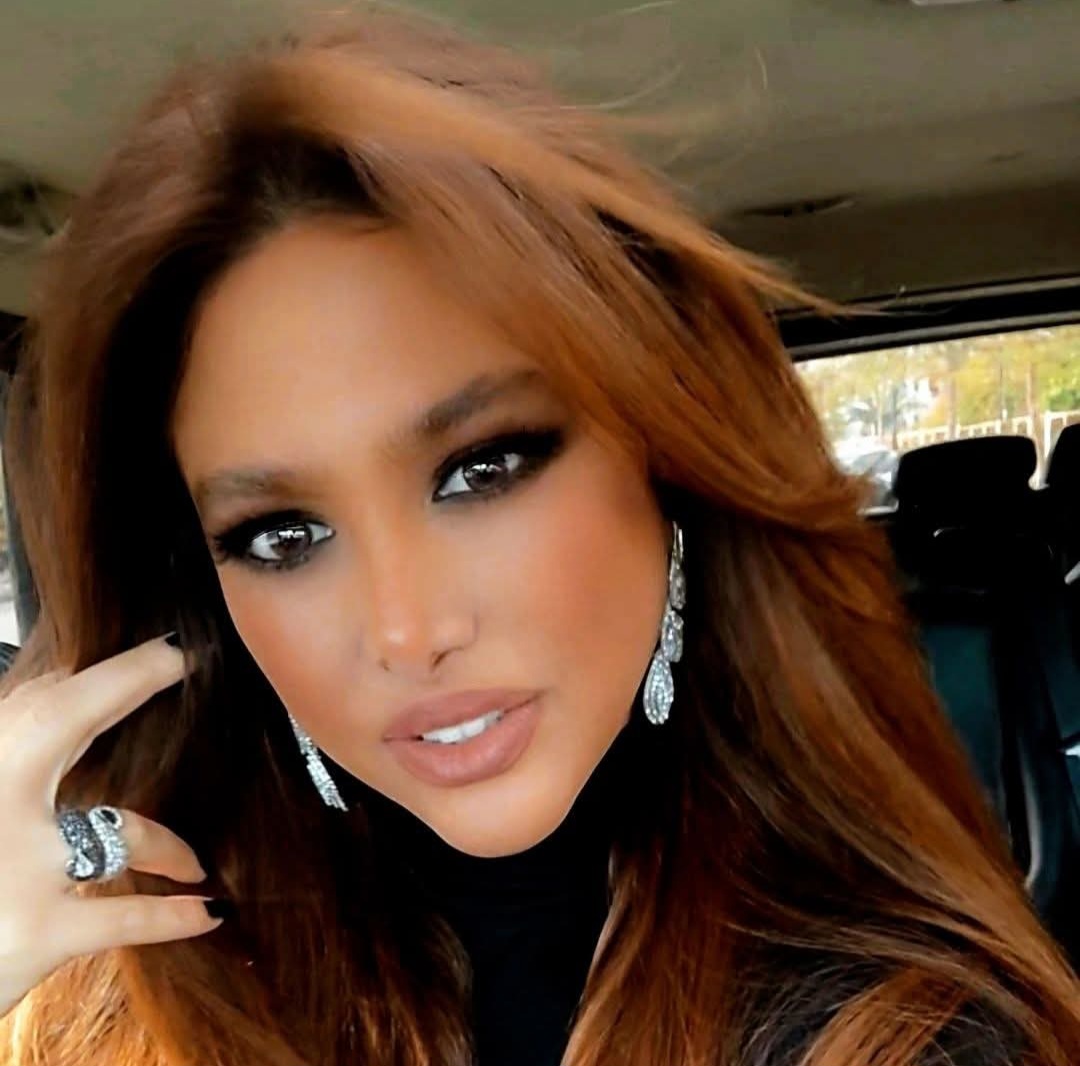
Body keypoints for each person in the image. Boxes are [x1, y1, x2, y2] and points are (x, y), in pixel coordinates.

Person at [0, 7, 1076, 1066]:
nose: (407, 631)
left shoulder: (911, 1035)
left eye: (483, 469)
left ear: (668, 457)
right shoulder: (109, 985)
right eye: (282, 536)